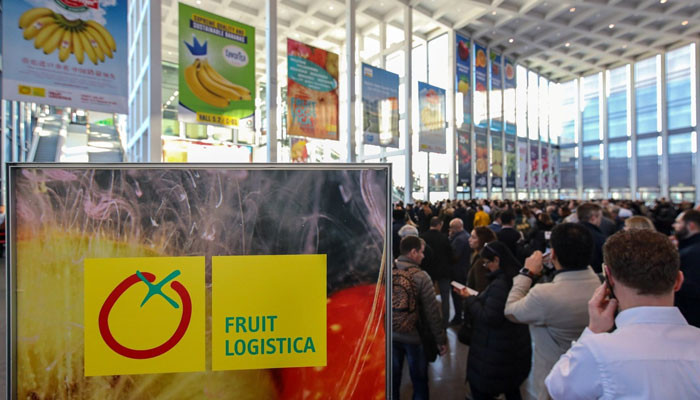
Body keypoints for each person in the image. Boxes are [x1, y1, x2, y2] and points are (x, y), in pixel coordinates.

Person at [545, 230, 700, 399]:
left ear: (609, 278)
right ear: (678, 281)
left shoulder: (596, 351)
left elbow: (558, 389)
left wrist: (593, 331)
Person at [504, 223, 601, 400]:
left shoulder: (545, 295)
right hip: (593, 378)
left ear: (553, 254)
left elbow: (511, 311)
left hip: (554, 380)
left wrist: (527, 273)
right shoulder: (601, 287)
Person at [454, 241, 531, 400]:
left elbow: (489, 317)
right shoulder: (516, 279)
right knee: (511, 388)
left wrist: (469, 299)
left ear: (497, 260)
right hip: (513, 347)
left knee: (483, 391)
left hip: (494, 350)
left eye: (487, 262)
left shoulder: (500, 284)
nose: (486, 266)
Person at [392, 236, 447, 400]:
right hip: (414, 337)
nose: (423, 256)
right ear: (413, 252)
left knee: (393, 380)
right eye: (421, 252)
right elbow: (432, 312)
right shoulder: (422, 277)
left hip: (392, 334)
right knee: (420, 381)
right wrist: (440, 339)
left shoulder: (389, 271)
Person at [420, 216, 454, 328]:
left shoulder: (423, 237)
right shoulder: (444, 238)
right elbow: (450, 255)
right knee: (445, 297)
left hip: (428, 271)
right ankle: (445, 322)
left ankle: (428, 321)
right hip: (443, 272)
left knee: (427, 297)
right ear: (439, 225)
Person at [672, 210, 700, 328]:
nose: (674, 225)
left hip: (691, 316)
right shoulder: (689, 248)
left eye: (678, 223)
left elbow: (693, 286)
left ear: (691, 226)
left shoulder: (692, 252)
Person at [448, 218, 471, 325]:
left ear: (454, 228)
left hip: (457, 271)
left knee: (457, 295)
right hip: (464, 269)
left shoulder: (458, 239)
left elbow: (454, 256)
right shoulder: (466, 235)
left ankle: (458, 318)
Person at [577, 202, 606, 273]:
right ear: (593, 218)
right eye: (600, 217)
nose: (601, 220)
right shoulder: (599, 237)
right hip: (594, 275)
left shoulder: (569, 233)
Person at [467, 227, 497, 293]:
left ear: (482, 240)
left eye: (473, 237)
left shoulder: (482, 261)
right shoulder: (477, 256)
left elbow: (481, 287)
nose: (469, 240)